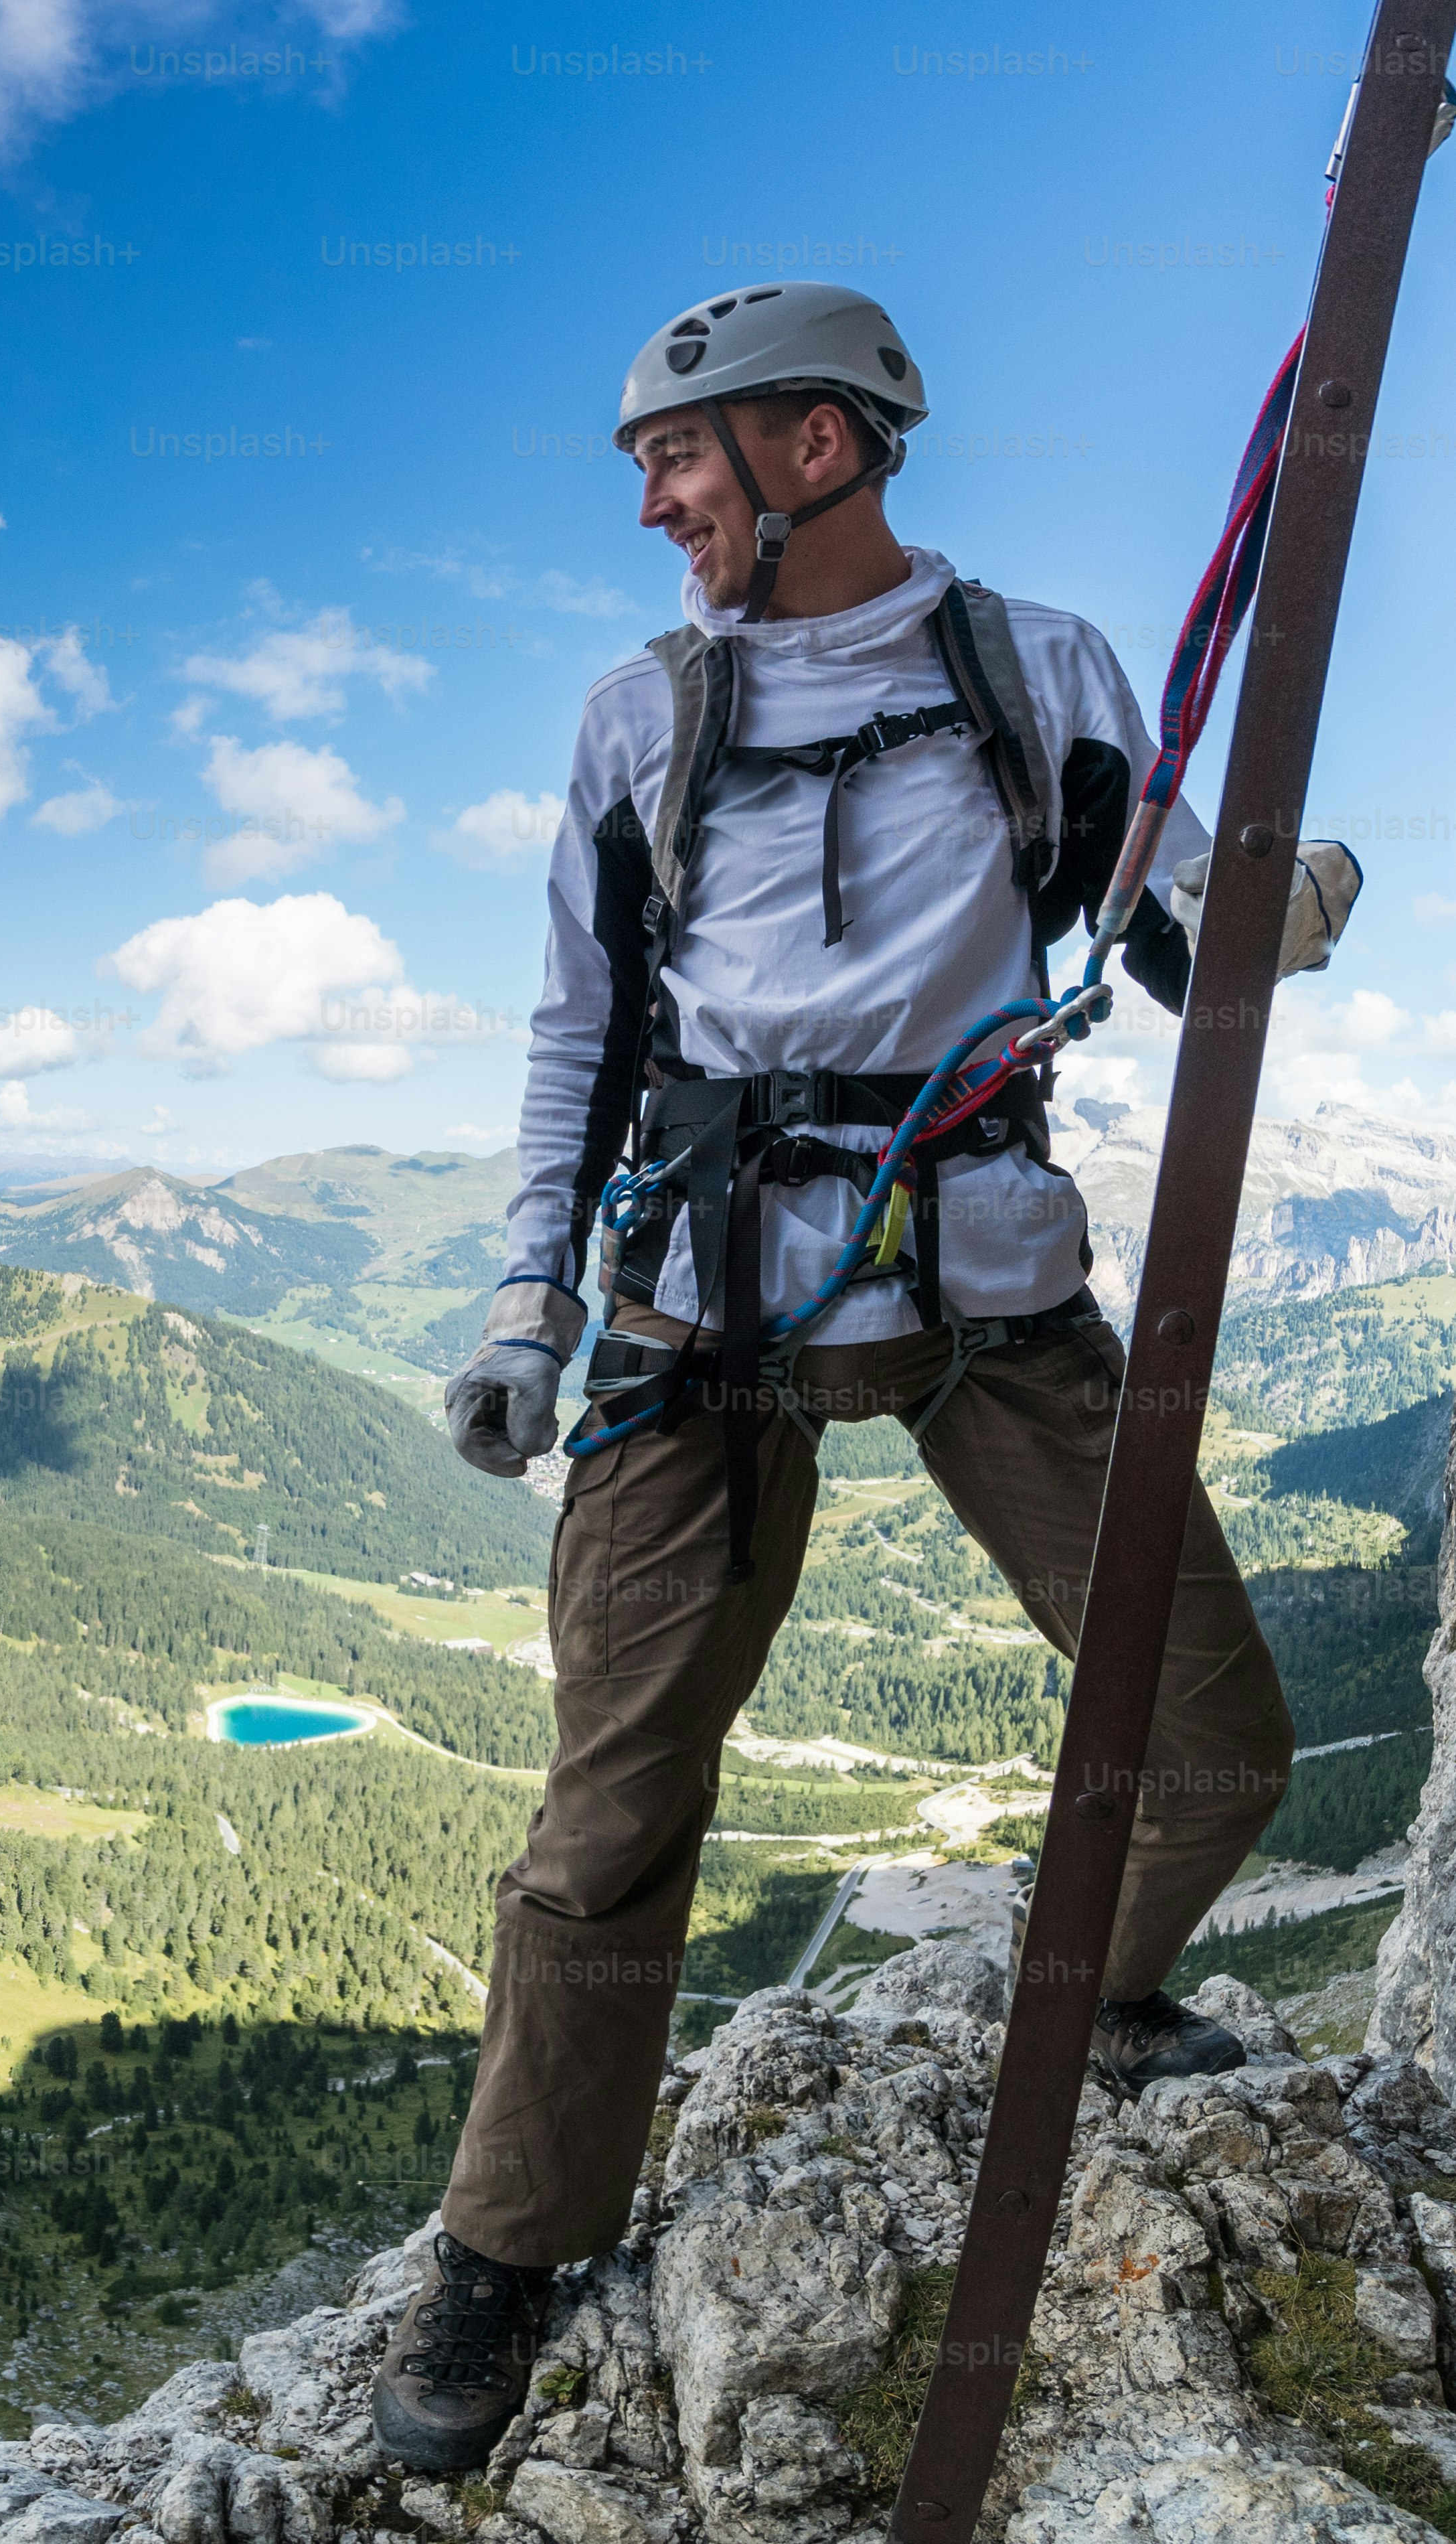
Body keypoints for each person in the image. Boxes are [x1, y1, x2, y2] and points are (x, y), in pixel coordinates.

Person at [373, 282, 1364, 2474]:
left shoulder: (1039, 676)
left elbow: (1182, 917)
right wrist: (525, 1307)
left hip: (984, 1280)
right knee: (609, 1814)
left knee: (1211, 1741)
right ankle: (506, 2248)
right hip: (701, 1311)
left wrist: (1296, 891)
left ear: (813, 449)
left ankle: (1089, 2001)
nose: (649, 505)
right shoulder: (644, 716)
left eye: (677, 458)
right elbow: (582, 1030)